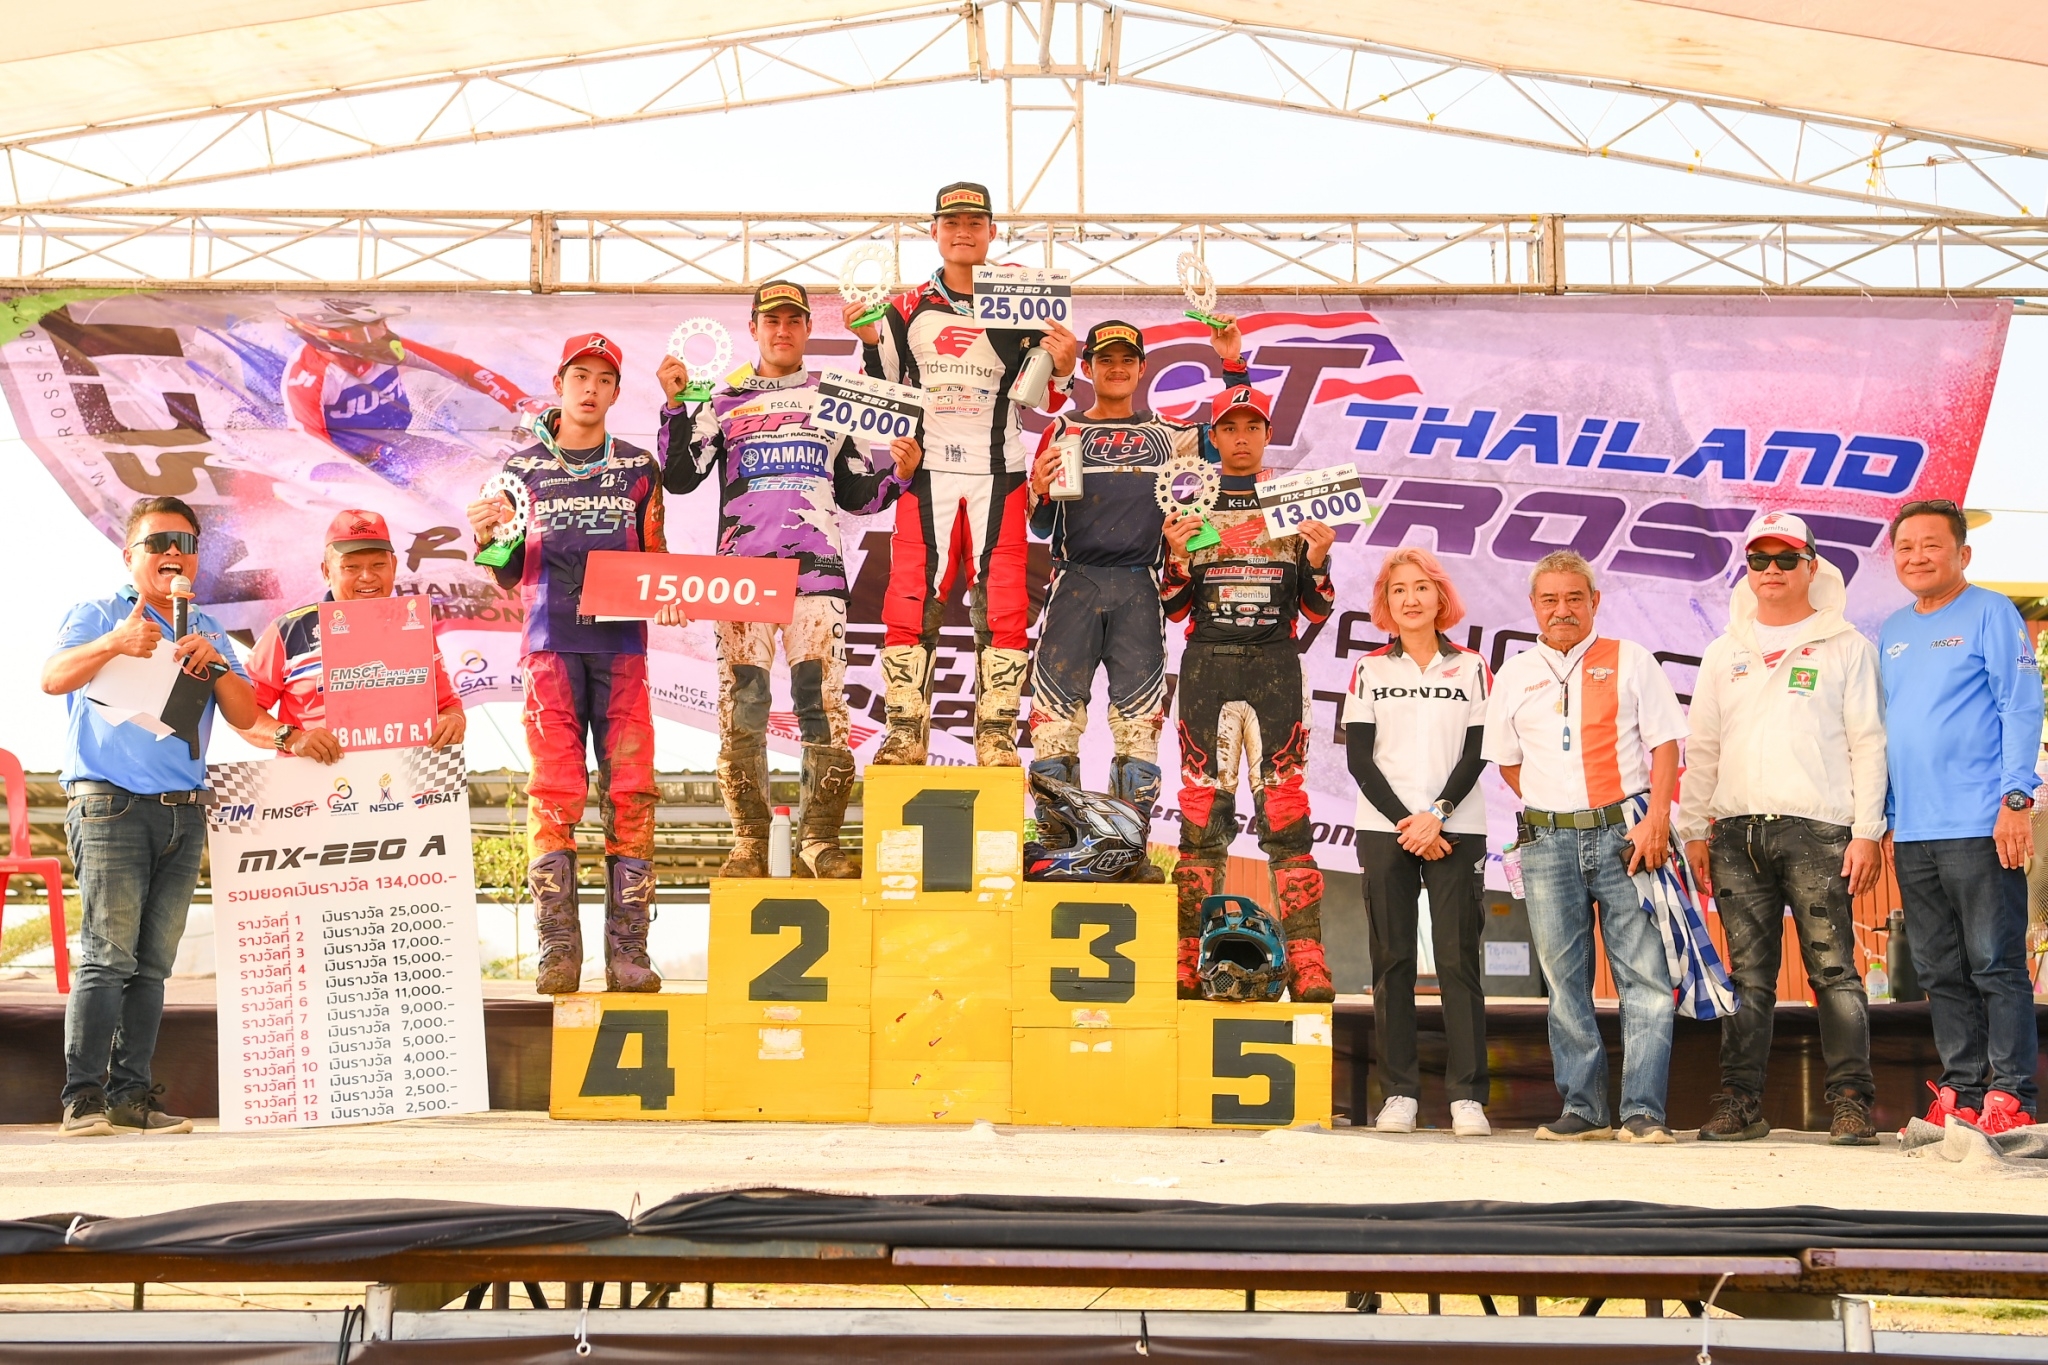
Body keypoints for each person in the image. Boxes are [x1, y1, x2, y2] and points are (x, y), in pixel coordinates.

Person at [657, 280, 921, 878]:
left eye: (793, 320)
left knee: (822, 706)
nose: (782, 330)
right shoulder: (723, 398)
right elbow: (680, 477)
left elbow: (856, 494)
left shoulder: (834, 397)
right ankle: (750, 842)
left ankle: (819, 841)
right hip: (743, 581)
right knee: (743, 708)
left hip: (817, 578)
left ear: (807, 329)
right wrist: (674, 407)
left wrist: (898, 476)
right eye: (771, 320)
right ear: (753, 328)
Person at [41, 496, 263, 1137]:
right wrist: (115, 643)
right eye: (158, 542)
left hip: (183, 813)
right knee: (107, 957)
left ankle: (130, 1098)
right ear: (129, 555)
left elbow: (246, 716)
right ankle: (83, 1099)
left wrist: (214, 664)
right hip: (109, 805)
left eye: (185, 544)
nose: (172, 554)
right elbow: (52, 678)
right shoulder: (99, 613)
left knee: (152, 966)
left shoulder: (209, 627)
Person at [847, 181, 1079, 766]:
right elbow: (884, 387)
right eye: (952, 222)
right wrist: (870, 340)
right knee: (909, 599)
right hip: (927, 475)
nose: (963, 232)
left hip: (1000, 473)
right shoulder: (905, 307)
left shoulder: (1023, 300)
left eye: (975, 222)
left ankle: (996, 735)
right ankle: (904, 731)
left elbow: (1045, 399)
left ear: (993, 231)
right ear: (934, 231)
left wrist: (1064, 366)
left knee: (1003, 605)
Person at [1676, 512, 1885, 1145]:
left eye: (1786, 558)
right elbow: (1703, 747)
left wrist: (1867, 830)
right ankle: (1740, 1103)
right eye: (1759, 559)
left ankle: (1851, 1103)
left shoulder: (1847, 645)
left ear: (1811, 566)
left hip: (1819, 831)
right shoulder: (1725, 650)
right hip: (1735, 834)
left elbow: (1868, 743)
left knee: (1834, 972)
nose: (1771, 570)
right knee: (1747, 978)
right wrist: (1693, 829)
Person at [466, 333, 664, 997]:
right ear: (560, 382)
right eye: (580, 375)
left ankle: (629, 951)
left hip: (623, 648)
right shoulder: (518, 471)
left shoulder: (639, 467)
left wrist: (672, 593)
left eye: (603, 379)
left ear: (615, 392)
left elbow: (657, 557)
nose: (590, 388)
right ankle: (558, 950)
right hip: (549, 645)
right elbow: (503, 572)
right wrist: (486, 535)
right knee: (553, 791)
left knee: (632, 789)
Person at [1482, 550, 1687, 1143]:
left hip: (1628, 836)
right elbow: (1509, 763)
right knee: (1563, 982)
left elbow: (1666, 745)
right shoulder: (1515, 672)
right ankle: (1585, 1110)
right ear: (1533, 606)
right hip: (1546, 842)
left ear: (1595, 601)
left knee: (1646, 977)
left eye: (1575, 597)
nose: (1563, 609)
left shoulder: (1632, 659)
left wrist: (1655, 820)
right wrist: (1553, 808)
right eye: (1550, 599)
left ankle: (1643, 1112)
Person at [1023, 319, 1249, 849]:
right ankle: (1059, 845)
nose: (1117, 368)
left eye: (1127, 359)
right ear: (1087, 368)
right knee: (1053, 723)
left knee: (1140, 726)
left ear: (1143, 368)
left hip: (1139, 587)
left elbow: (1235, 439)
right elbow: (1040, 525)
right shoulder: (1062, 429)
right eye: (1105, 360)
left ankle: (1124, 847)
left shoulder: (1174, 435)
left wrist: (1233, 364)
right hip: (1073, 582)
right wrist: (1039, 489)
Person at [1161, 383, 1336, 1003]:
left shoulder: (1292, 504)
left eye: (1252, 428)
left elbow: (1317, 609)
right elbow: (1173, 607)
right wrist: (1176, 558)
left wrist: (1320, 558)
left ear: (1267, 435)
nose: (1241, 439)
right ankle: (1186, 958)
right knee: (1201, 820)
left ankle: (1308, 960)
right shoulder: (1192, 502)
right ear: (1213, 437)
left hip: (1275, 667)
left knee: (1286, 818)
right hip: (1208, 666)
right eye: (1230, 428)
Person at [1879, 499, 2044, 1134]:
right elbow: (1891, 728)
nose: (1917, 557)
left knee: (1995, 964)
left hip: (1981, 824)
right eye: (1905, 547)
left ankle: (2012, 1097)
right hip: (1914, 832)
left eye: (1932, 545)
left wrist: (2015, 801)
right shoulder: (1892, 630)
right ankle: (1962, 1092)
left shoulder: (1992, 612)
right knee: (1940, 971)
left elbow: (2021, 706)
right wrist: (1890, 815)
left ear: (1963, 554)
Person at [1343, 548, 1493, 1137]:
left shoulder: (1474, 667)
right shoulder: (1368, 669)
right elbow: (1360, 759)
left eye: (1422, 587)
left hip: (1457, 827)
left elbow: (1479, 751)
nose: (1411, 598)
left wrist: (1437, 815)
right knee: (1393, 962)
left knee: (1458, 962)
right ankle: (1399, 1094)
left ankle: (1468, 1099)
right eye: (1398, 589)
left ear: (1440, 597)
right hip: (1387, 830)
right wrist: (1410, 822)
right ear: (1386, 601)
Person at [238, 509, 467, 761]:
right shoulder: (289, 631)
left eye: (378, 565)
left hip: (405, 778)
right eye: (351, 567)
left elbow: (448, 705)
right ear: (327, 572)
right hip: (313, 782)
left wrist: (453, 721)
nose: (367, 577)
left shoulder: (414, 626)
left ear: (393, 566)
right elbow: (240, 712)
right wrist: (292, 739)